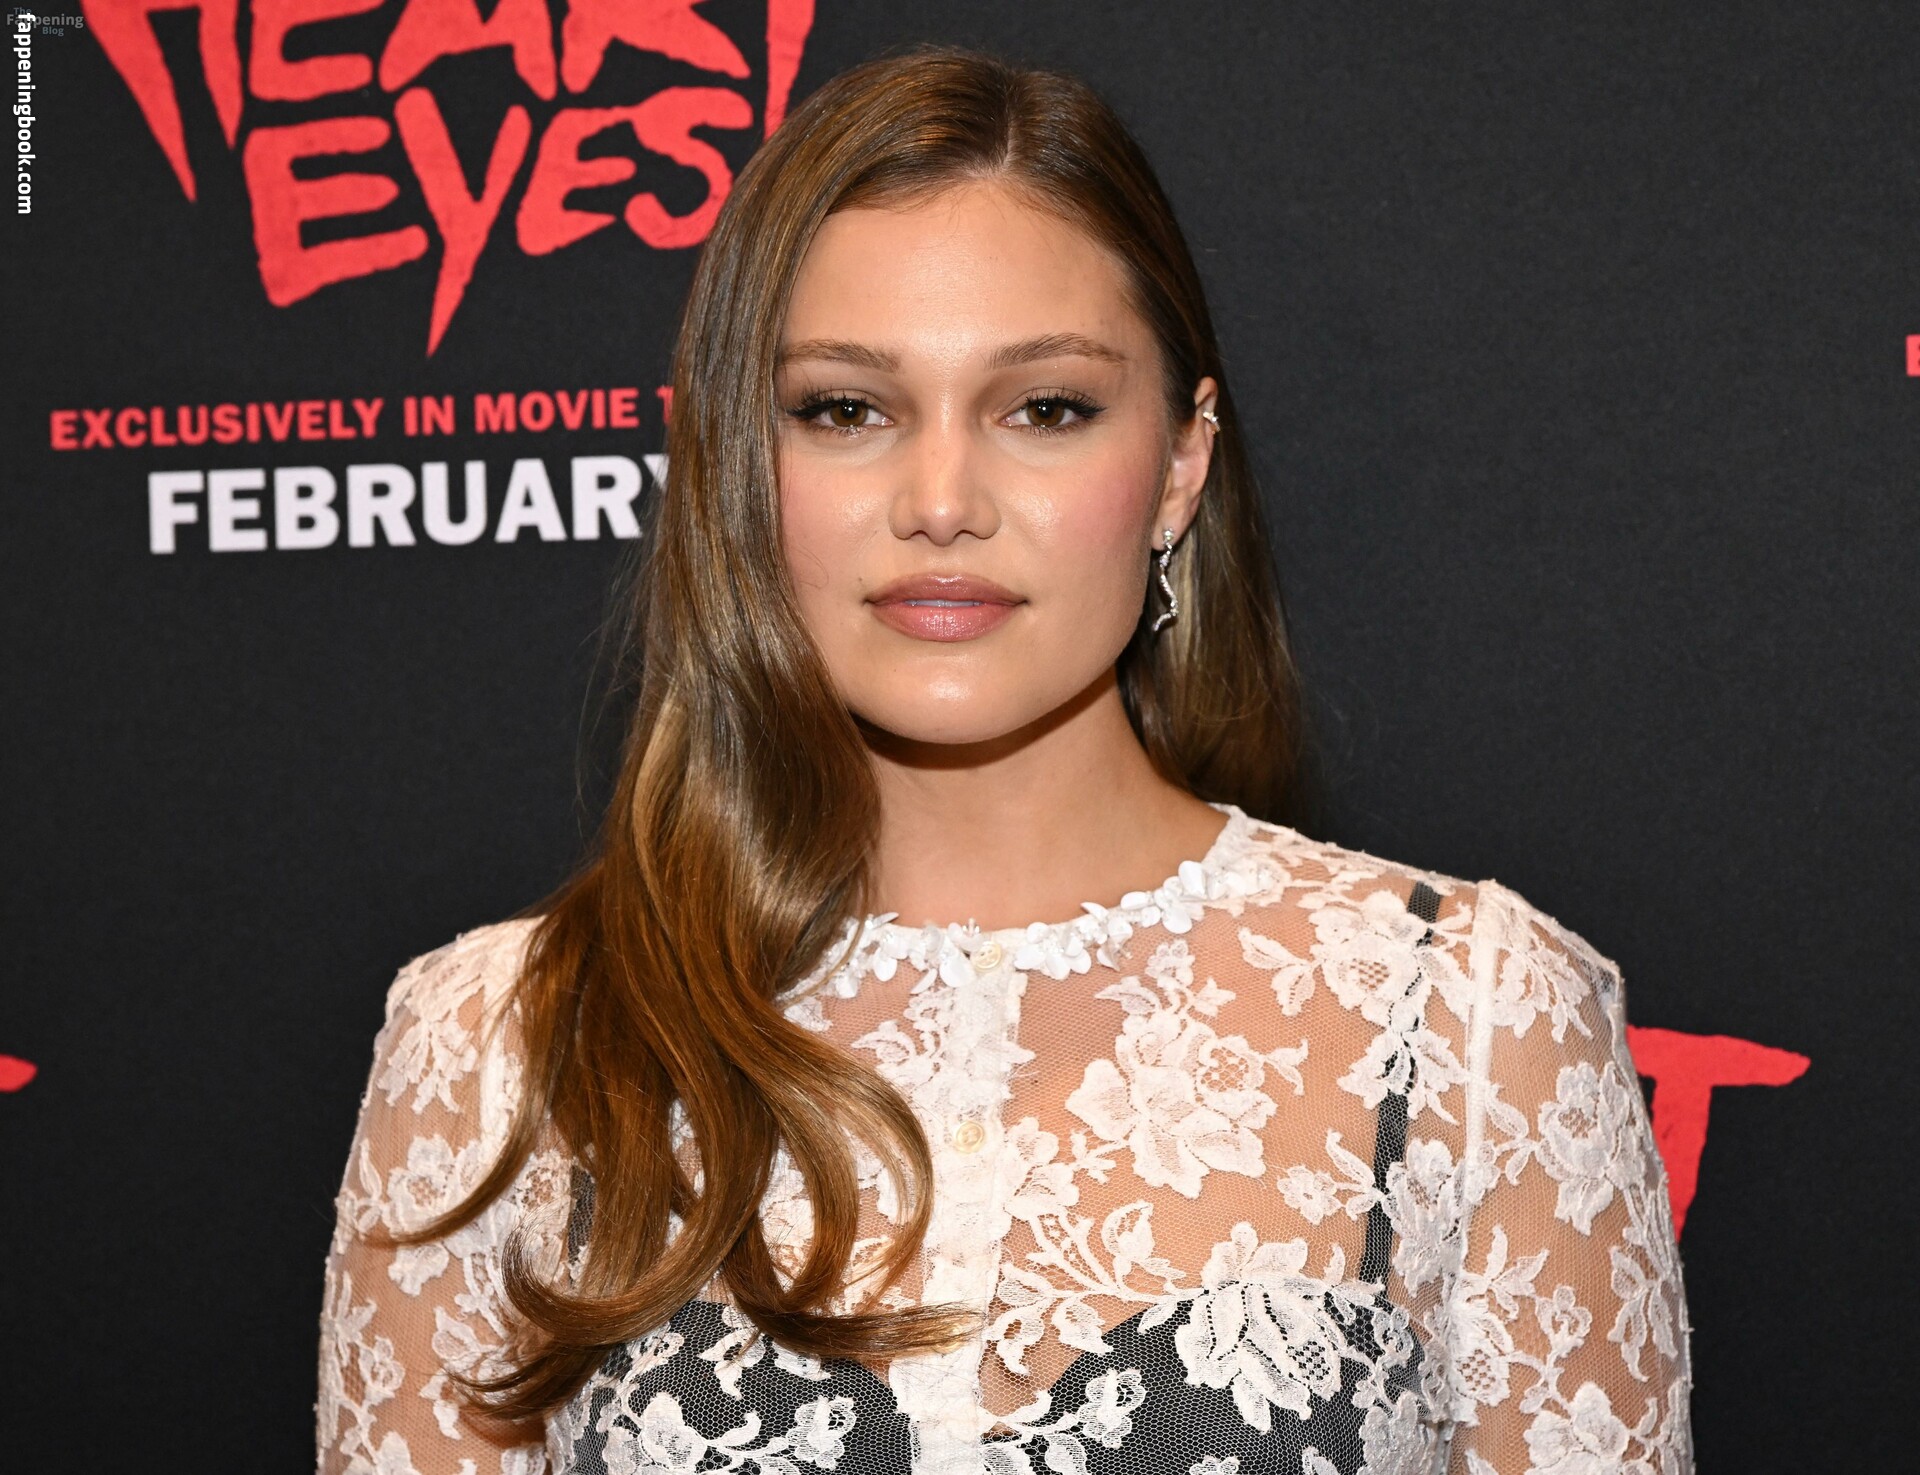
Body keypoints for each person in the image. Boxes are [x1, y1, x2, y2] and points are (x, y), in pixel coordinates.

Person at [316, 44, 1693, 1475]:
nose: (941, 502)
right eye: (844, 409)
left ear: (1180, 466)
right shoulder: (496, 1052)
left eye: (1046, 409)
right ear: (729, 463)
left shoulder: (1472, 1022)